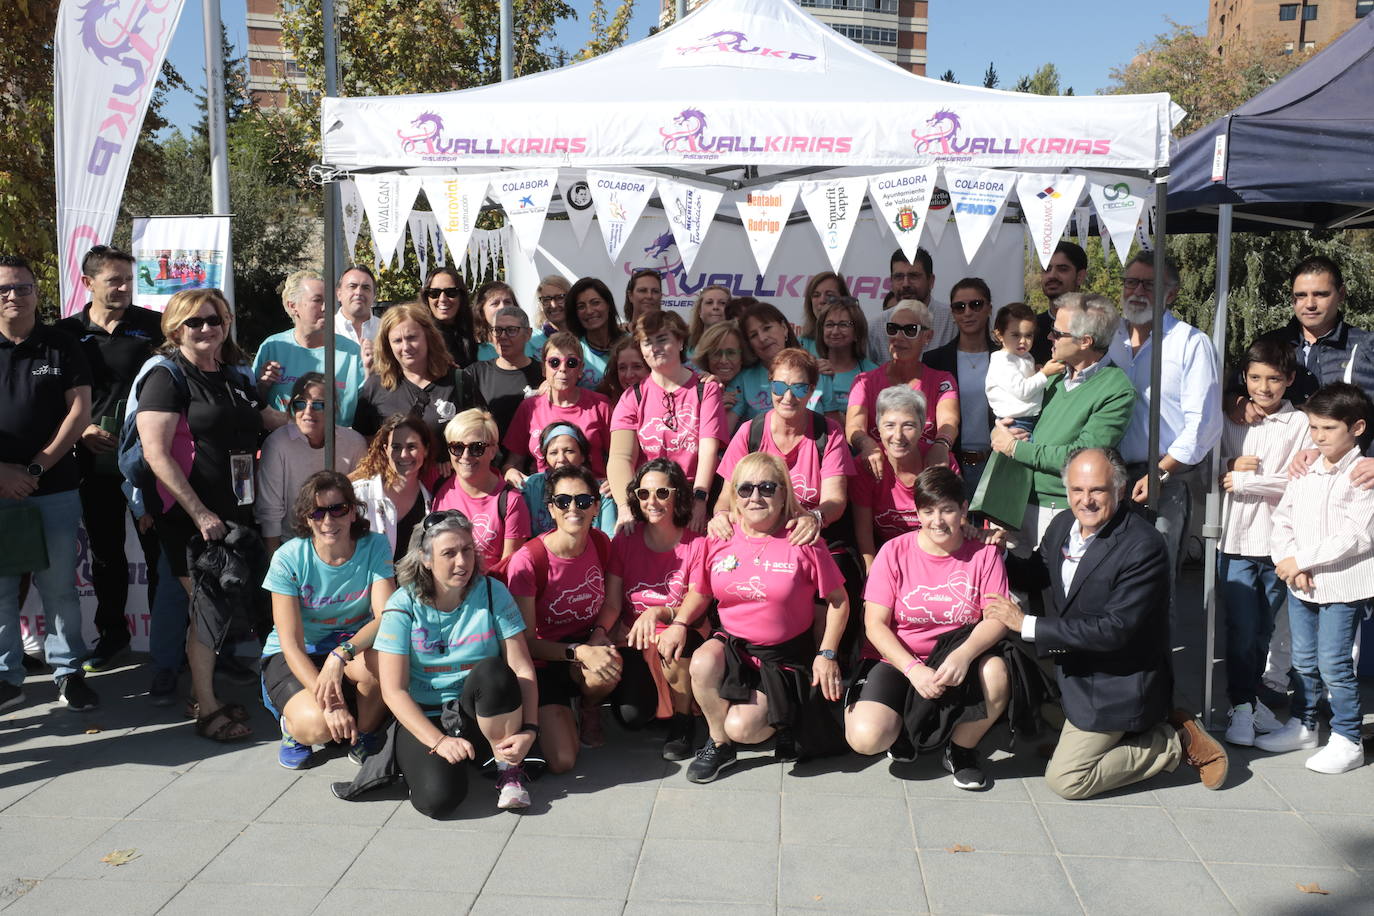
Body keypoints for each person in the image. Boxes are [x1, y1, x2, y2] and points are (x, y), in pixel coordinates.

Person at [983, 448, 1228, 798]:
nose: (1086, 500)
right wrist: (999, 552)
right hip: (1072, 663)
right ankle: (1082, 733)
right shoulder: (1064, 523)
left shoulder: (1143, 546)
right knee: (1008, 658)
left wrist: (1027, 623)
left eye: (1097, 490)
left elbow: (1115, 630)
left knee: (1066, 780)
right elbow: (1037, 573)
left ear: (1120, 490)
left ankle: (1171, 740)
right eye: (1077, 490)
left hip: (1117, 681)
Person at [135, 289, 283, 741]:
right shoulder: (166, 376)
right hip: (189, 516)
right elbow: (156, 453)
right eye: (194, 322)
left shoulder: (233, 374)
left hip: (233, 511)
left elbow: (267, 420)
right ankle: (205, 704)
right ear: (175, 328)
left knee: (218, 605)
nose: (206, 329)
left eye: (214, 320)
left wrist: (325, 427)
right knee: (207, 608)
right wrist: (198, 512)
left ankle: (205, 694)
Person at [658, 453, 849, 783]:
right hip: (734, 646)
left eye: (766, 487)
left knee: (743, 727)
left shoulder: (803, 539)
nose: (755, 497)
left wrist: (827, 653)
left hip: (785, 657)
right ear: (733, 496)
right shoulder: (718, 538)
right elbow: (700, 593)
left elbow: (839, 601)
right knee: (702, 663)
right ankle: (719, 745)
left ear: (783, 494)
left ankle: (780, 718)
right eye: (745, 489)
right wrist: (678, 623)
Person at [844, 467, 1011, 789]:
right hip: (898, 658)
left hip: (956, 657)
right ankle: (907, 724)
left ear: (964, 509)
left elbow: (997, 617)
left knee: (997, 672)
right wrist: (912, 669)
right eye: (928, 511)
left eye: (948, 509)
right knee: (866, 739)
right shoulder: (894, 551)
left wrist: (964, 656)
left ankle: (960, 749)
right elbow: (874, 625)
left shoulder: (985, 554)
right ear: (917, 512)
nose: (938, 520)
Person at [372, 509, 539, 815]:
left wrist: (530, 729)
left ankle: (508, 769)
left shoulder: (492, 592)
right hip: (428, 715)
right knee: (438, 801)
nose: (462, 562)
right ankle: (456, 759)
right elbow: (393, 691)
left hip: (478, 709)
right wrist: (438, 741)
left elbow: (521, 668)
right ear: (425, 558)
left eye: (467, 550)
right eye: (449, 553)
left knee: (494, 671)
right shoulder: (402, 604)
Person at [56, 245, 164, 672]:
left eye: (127, 280)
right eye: (113, 280)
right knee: (105, 554)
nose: (122, 288)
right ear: (88, 283)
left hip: (147, 460)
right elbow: (52, 396)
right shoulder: (65, 333)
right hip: (92, 461)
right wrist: (80, 430)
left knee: (158, 552)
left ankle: (168, 640)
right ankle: (113, 635)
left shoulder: (154, 327)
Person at [1258, 383, 1374, 774]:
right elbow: (1284, 517)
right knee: (1304, 661)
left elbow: (1356, 537)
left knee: (1334, 663)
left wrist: (1302, 560)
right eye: (1314, 428)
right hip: (1300, 582)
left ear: (1357, 427)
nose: (1319, 437)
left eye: (1329, 429)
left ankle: (1347, 738)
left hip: (1341, 586)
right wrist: (1288, 561)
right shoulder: (1304, 468)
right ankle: (1304, 725)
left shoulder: (1363, 476)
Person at [0, 254, 97, 712]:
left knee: (59, 586)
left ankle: (68, 671)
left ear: (37, 292)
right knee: (0, 588)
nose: (13, 296)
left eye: (21, 287)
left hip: (53, 486)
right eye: (4, 289)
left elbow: (79, 412)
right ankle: (6, 675)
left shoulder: (61, 345)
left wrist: (35, 468)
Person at [261, 471, 394, 769]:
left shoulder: (375, 545)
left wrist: (340, 655)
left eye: (338, 509)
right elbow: (291, 644)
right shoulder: (288, 558)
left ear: (353, 511)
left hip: (347, 649)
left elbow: (387, 618)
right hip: (298, 653)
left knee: (387, 655)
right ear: (306, 518)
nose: (328, 521)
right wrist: (331, 705)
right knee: (319, 728)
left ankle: (366, 734)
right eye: (317, 512)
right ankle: (292, 726)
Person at [983, 293, 1135, 552]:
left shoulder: (1117, 389)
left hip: (1061, 511)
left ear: (1085, 341)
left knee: (1054, 591)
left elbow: (1080, 458)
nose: (1049, 337)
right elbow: (1015, 421)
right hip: (1016, 503)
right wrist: (1003, 432)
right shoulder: (1052, 376)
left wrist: (1015, 448)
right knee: (1014, 590)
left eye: (1057, 332)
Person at [1108, 253, 1222, 588]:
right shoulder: (1107, 338)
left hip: (1164, 477)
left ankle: (1159, 644)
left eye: (1149, 284)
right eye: (1131, 282)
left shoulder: (1190, 343)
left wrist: (1161, 470)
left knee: (1155, 581)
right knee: (1110, 579)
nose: (1137, 291)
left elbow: (1204, 422)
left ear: (1170, 294)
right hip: (1109, 475)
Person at [1218, 340, 1307, 747]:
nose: (1264, 387)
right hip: (1233, 539)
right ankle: (1241, 705)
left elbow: (1302, 482)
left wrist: (1247, 480)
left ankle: (1249, 702)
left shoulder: (1302, 424)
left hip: (1276, 542)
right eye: (1255, 378)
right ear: (1244, 379)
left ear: (1289, 379)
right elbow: (1210, 469)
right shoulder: (1232, 417)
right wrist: (1229, 466)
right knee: (1241, 626)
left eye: (1274, 378)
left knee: (1263, 629)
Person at [506, 464, 619, 768]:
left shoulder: (600, 543)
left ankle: (588, 706)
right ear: (551, 509)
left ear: (596, 506)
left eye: (583, 501)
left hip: (585, 645)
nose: (574, 508)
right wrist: (580, 651)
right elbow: (526, 643)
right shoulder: (528, 560)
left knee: (607, 665)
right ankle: (556, 711)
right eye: (563, 501)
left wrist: (598, 634)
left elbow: (611, 603)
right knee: (563, 761)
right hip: (545, 659)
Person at [595, 459, 702, 759]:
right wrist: (599, 632)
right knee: (631, 716)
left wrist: (660, 614)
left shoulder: (696, 542)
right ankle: (658, 704)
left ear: (678, 495)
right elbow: (613, 603)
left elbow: (698, 597)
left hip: (681, 628)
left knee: (673, 641)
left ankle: (683, 721)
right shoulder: (625, 540)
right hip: (634, 637)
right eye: (644, 494)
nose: (652, 502)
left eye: (662, 493)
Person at [1242, 256, 1374, 488]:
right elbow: (1233, 390)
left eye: (1321, 294)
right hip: (1280, 482)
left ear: (1341, 294)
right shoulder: (1270, 343)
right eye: (1300, 295)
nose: (1309, 303)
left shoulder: (1366, 346)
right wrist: (1237, 401)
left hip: (1352, 483)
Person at [608, 311, 727, 534]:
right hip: (649, 500)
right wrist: (625, 507)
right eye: (647, 342)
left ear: (680, 341)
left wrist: (700, 499)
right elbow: (620, 457)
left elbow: (708, 450)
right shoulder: (632, 397)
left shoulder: (706, 389)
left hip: (693, 496)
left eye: (662, 339)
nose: (654, 348)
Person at [715, 348, 851, 543]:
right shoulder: (750, 432)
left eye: (799, 388)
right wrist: (720, 516)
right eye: (779, 387)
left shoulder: (829, 433)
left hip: (810, 538)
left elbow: (835, 501)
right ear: (770, 385)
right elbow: (726, 498)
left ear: (812, 390)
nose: (787, 397)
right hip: (758, 538)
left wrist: (814, 518)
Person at [847, 300, 959, 477]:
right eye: (893, 328)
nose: (899, 336)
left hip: (927, 478)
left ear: (928, 337)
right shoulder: (864, 381)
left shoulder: (942, 381)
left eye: (910, 330)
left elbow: (949, 421)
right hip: (878, 479)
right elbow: (853, 426)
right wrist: (866, 443)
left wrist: (942, 444)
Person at [256, 373, 366, 553]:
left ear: (333, 408)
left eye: (318, 405)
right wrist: (274, 561)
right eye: (300, 404)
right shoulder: (277, 444)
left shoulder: (354, 443)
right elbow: (270, 512)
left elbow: (361, 500)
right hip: (293, 546)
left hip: (343, 545)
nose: (308, 411)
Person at [353, 303, 482, 448]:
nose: (406, 347)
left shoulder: (459, 381)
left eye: (412, 337)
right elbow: (364, 443)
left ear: (428, 337)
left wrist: (450, 459)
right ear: (387, 345)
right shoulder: (375, 386)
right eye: (397, 341)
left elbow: (479, 434)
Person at [254, 269, 366, 426]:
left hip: (337, 447)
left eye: (329, 300)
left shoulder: (352, 353)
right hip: (283, 446)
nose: (326, 307)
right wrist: (263, 386)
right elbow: (252, 405)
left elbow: (368, 413)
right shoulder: (273, 347)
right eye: (317, 300)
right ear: (293, 306)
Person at [923, 278, 999, 497]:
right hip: (950, 463)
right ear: (953, 313)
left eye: (976, 305)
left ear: (988, 309)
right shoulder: (933, 361)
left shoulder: (1008, 358)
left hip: (996, 465)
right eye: (959, 307)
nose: (967, 312)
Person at [503, 332, 612, 483]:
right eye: (554, 362)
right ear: (543, 368)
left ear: (581, 369)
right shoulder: (529, 407)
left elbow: (620, 457)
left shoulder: (601, 405)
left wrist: (613, 482)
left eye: (571, 362)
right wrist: (511, 472)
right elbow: (513, 462)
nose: (562, 368)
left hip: (593, 497)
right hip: (543, 498)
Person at [432, 409, 529, 571]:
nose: (465, 455)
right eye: (457, 447)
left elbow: (508, 569)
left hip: (487, 591)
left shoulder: (510, 500)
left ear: (492, 450)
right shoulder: (438, 486)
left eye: (477, 448)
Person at [853, 386, 931, 564]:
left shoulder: (939, 461)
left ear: (922, 427)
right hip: (886, 559)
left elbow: (954, 525)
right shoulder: (865, 466)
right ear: (878, 428)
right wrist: (871, 579)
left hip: (932, 557)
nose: (898, 436)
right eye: (889, 425)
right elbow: (864, 536)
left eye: (908, 426)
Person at [350, 414, 435, 562]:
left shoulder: (432, 502)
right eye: (396, 447)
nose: (404, 454)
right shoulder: (358, 494)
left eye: (412, 447)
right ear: (385, 450)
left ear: (425, 450)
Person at [518, 423, 617, 536]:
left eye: (569, 451)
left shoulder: (602, 490)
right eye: (553, 453)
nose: (561, 459)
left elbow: (610, 538)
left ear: (583, 456)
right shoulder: (531, 486)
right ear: (545, 458)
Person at [460, 305, 543, 434]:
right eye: (497, 330)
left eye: (511, 330)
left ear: (528, 334)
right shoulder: (475, 374)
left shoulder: (545, 373)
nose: (503, 336)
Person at [985, 302, 1063, 435]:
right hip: (1014, 422)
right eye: (1016, 335)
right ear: (999, 335)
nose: (1023, 341)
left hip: (1029, 418)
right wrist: (1044, 374)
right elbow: (1022, 390)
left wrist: (1036, 371)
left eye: (1028, 335)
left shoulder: (1025, 356)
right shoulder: (1002, 361)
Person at [867, 248, 953, 363]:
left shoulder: (952, 321)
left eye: (914, 276)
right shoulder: (875, 327)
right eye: (899, 277)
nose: (906, 284)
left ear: (931, 281)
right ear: (891, 282)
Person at [811, 297, 875, 426]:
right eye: (829, 325)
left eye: (843, 325)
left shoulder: (872, 373)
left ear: (857, 332)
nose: (835, 331)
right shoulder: (811, 369)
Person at [735, 301, 802, 419]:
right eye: (753, 335)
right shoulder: (742, 380)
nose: (762, 338)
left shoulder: (815, 369)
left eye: (767, 328)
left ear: (784, 328)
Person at [1032, 241, 1088, 365]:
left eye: (1062, 269)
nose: (1052, 275)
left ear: (1080, 276)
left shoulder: (1095, 328)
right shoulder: (1029, 329)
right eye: (1047, 269)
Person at [691, 320, 751, 431]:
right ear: (706, 357)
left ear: (742, 356)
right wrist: (711, 406)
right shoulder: (695, 385)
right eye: (716, 353)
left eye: (731, 353)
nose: (723, 360)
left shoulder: (753, 382)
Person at [565, 277, 623, 389]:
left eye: (595, 303)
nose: (589, 311)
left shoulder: (632, 343)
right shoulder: (572, 351)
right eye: (581, 306)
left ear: (608, 305)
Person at [420, 267, 478, 369]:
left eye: (451, 292)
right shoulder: (418, 336)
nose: (442, 299)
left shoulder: (475, 333)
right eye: (434, 293)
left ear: (461, 297)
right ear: (426, 298)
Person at [473, 281, 542, 362]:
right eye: (495, 303)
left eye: (507, 302)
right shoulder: (473, 349)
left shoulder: (535, 338)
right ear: (482, 312)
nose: (502, 307)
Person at [334, 265, 378, 370]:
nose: (358, 292)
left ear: (374, 296)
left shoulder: (386, 330)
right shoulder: (326, 330)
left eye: (366, 288)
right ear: (339, 294)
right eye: (352, 286)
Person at [798, 271, 850, 354]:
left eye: (829, 295)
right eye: (816, 295)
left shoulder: (854, 343)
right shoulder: (798, 345)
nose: (822, 300)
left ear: (844, 299)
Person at [596, 334, 649, 407]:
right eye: (622, 368)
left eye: (637, 366)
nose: (629, 375)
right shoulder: (605, 404)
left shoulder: (665, 401)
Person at [686, 284, 731, 351]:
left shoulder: (741, 343)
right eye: (709, 302)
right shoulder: (685, 344)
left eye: (722, 303)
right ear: (700, 311)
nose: (715, 307)